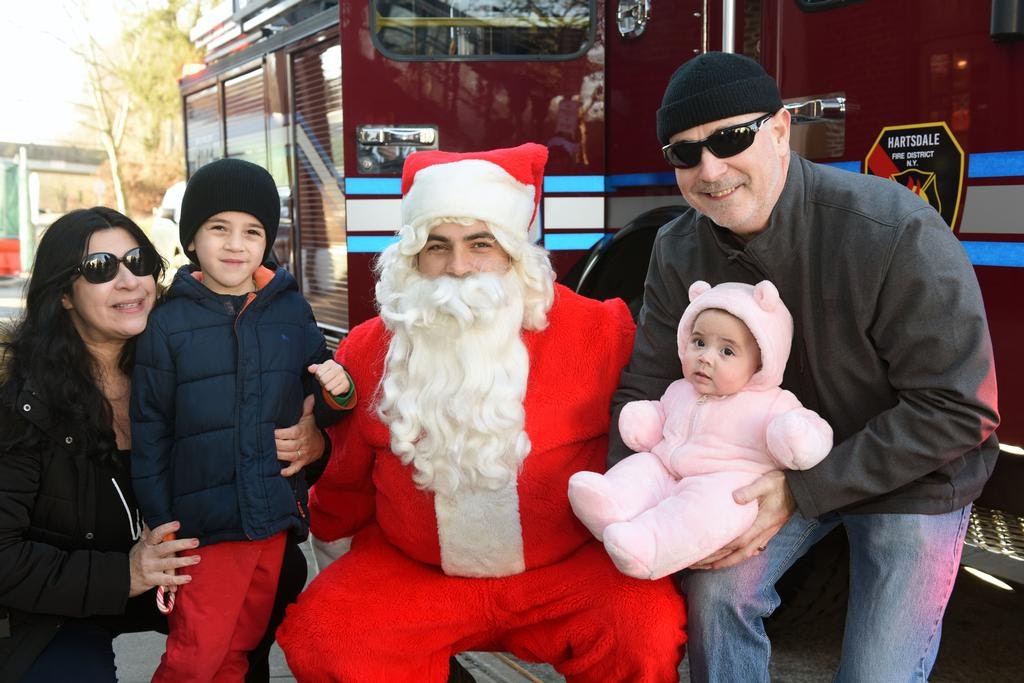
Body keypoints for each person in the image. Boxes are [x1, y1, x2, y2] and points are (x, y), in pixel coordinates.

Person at [610, 51, 1000, 682]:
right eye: (685, 153)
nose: (710, 170)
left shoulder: (894, 229)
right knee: (716, 595)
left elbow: (960, 408)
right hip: (763, 461)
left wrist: (802, 490)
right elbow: (647, 383)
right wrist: (625, 504)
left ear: (783, 129)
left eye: (731, 139)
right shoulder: (678, 246)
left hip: (914, 470)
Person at [277, 143, 687, 682]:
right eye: (437, 246)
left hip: (564, 572)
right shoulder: (369, 349)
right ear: (413, 257)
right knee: (326, 636)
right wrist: (323, 508)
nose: (459, 267)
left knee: (643, 629)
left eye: (481, 243)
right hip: (418, 574)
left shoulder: (600, 332)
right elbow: (345, 477)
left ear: (515, 252)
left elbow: (660, 441)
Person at [0, 207, 328, 683]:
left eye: (138, 260)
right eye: (100, 269)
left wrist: (314, 444)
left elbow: (266, 454)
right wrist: (125, 574)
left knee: (277, 574)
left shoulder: (194, 350)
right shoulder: (23, 403)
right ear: (65, 295)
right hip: (63, 599)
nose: (130, 281)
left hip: (181, 568)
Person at [130, 158, 355, 682]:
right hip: (202, 530)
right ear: (192, 238)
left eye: (252, 231)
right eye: (219, 228)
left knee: (240, 647)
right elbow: (151, 431)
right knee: (196, 655)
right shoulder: (168, 323)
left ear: (267, 240)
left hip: (270, 519)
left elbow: (313, 397)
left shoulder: (290, 310)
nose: (236, 244)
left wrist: (336, 396)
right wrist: (162, 523)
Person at [570, 280, 832, 580]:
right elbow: (663, 415)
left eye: (727, 351)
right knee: (643, 466)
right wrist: (645, 420)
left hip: (726, 484)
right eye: (699, 343)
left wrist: (797, 436)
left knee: (704, 511)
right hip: (669, 467)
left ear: (762, 361)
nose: (706, 357)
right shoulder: (681, 389)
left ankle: (649, 545)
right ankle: (610, 503)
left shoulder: (770, 403)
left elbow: (810, 432)